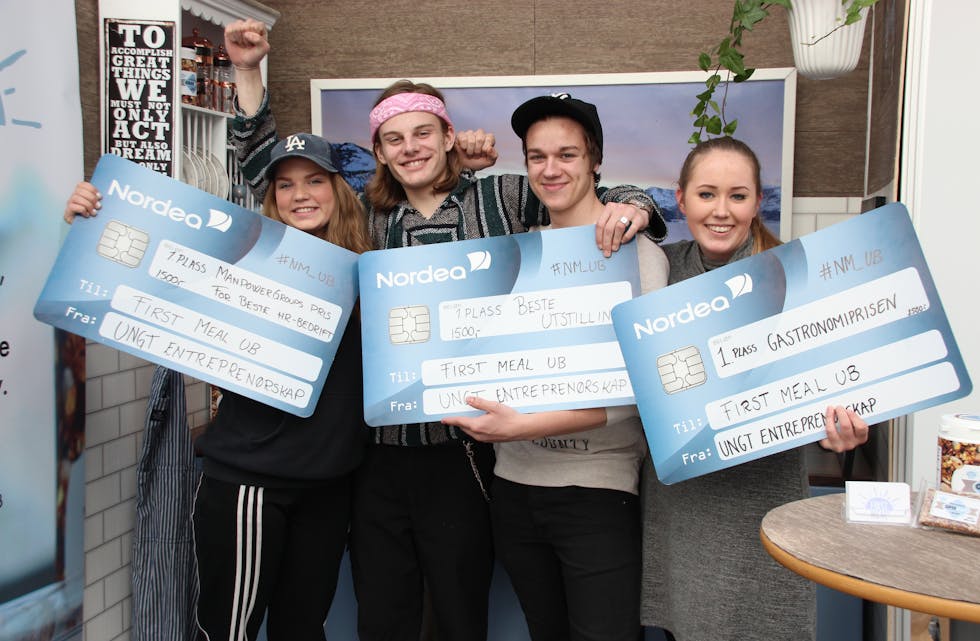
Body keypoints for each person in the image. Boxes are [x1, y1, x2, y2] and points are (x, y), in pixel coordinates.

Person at [223, 18, 667, 641]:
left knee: (460, 616)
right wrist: (247, 73)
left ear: (448, 137)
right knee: (384, 615)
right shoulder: (364, 221)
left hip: (466, 454)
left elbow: (579, 191)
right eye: (393, 139)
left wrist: (634, 204)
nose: (409, 148)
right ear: (377, 152)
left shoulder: (504, 201)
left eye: (423, 133)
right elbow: (272, 179)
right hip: (375, 456)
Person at [64, 132, 374, 641]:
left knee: (304, 627)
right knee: (229, 630)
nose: (300, 194)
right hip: (253, 481)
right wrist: (86, 219)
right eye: (284, 185)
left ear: (339, 190)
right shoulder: (242, 261)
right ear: (270, 198)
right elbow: (147, 268)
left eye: (315, 180)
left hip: (329, 483)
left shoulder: (366, 271)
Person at [442, 93, 669, 641]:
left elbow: (633, 396)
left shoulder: (640, 256)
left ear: (595, 162)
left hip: (598, 491)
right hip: (514, 491)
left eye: (567, 155)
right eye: (537, 156)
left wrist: (521, 426)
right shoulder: (516, 251)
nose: (550, 169)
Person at [640, 136, 871, 641]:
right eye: (706, 194)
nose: (721, 211)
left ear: (757, 200)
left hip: (765, 503)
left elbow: (830, 384)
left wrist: (838, 428)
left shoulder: (797, 274)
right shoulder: (656, 269)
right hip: (682, 510)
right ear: (681, 200)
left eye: (738, 196)